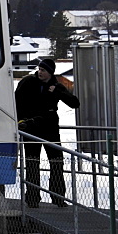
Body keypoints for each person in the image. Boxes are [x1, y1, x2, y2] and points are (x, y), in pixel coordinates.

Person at [15, 58, 80, 208]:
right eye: (39, 69)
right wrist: (21, 121)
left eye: (43, 70)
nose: (40, 72)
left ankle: (58, 197)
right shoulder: (27, 82)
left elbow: (74, 103)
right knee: (32, 163)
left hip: (50, 129)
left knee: (56, 162)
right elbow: (16, 102)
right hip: (30, 127)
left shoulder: (56, 85)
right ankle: (32, 198)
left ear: (50, 72)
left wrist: (58, 91)